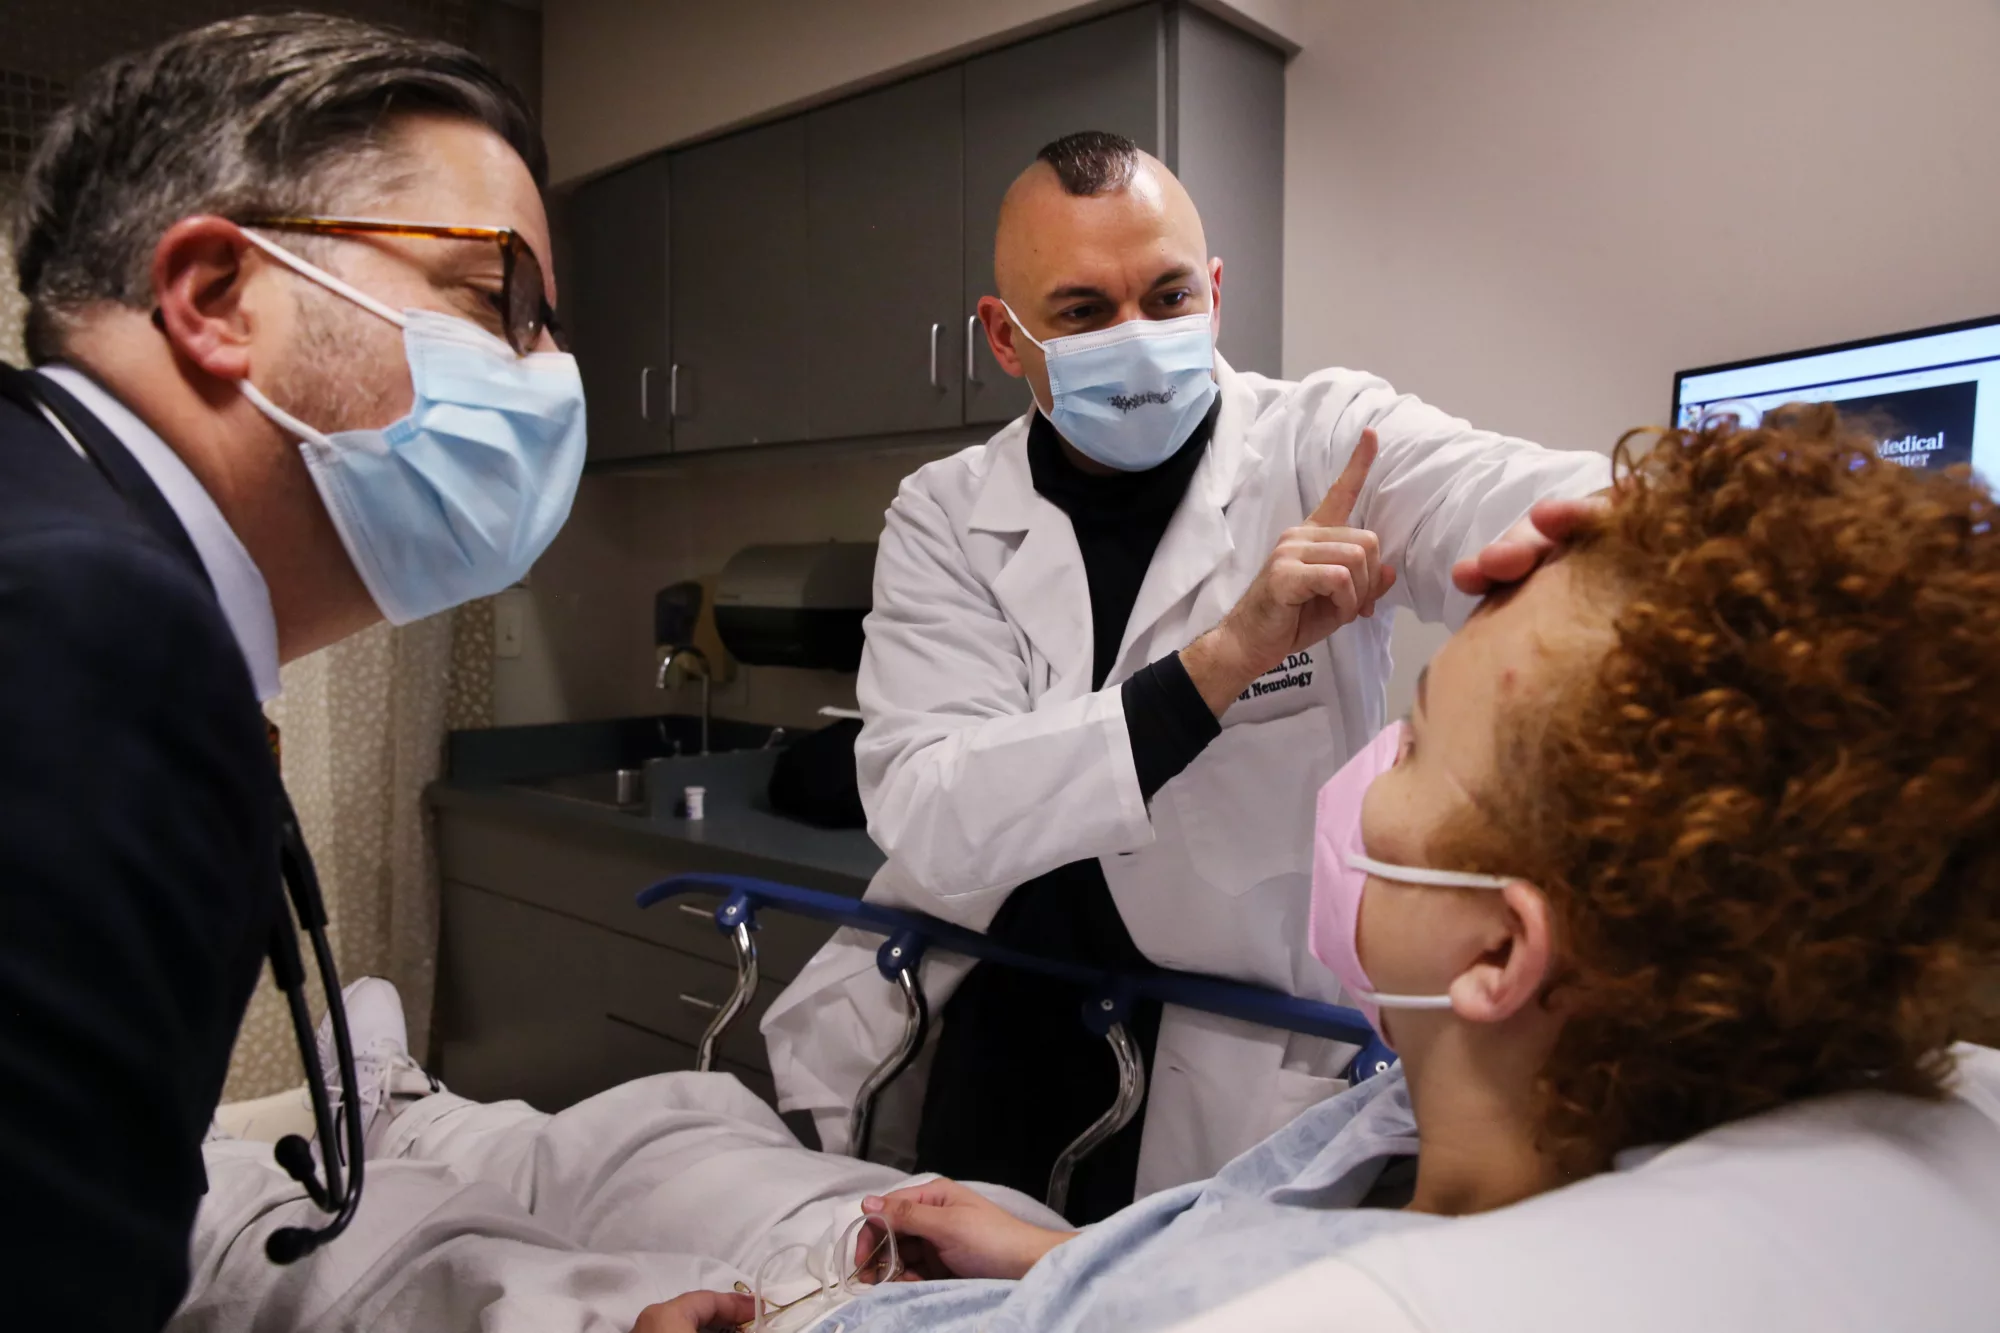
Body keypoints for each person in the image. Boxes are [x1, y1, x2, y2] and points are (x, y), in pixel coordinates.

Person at [176, 408, 2000, 1333]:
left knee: (458, 1247)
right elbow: (939, 805)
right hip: (1011, 1248)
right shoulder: (1467, 1148)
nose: (1372, 761)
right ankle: (410, 1094)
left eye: (1418, 736)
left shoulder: (1313, 420)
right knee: (661, 1126)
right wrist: (1061, 1252)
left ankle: (347, 1142)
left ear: (1505, 953)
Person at [760, 130, 1611, 1215]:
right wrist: (1214, 667)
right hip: (1000, 1011)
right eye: (1081, 311)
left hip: (1230, 1050)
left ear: (1213, 291)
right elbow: (931, 808)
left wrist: (1649, 520)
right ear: (1003, 336)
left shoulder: (1321, 445)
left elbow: (1498, 492)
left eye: (1166, 298)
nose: (1137, 338)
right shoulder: (945, 512)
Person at [0, 16, 580, 1328]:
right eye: (506, 302)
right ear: (213, 295)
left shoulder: (54, 530)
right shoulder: (90, 624)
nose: (553, 373)